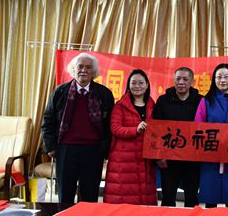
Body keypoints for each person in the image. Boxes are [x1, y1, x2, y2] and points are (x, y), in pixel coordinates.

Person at [41, 53, 114, 203]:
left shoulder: (104, 94)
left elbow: (109, 125)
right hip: (65, 149)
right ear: (73, 70)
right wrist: (50, 147)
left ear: (94, 72)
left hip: (93, 151)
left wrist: (104, 150)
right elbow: (48, 120)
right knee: (65, 195)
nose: (83, 70)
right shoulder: (60, 92)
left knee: (89, 195)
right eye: (80, 67)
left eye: (88, 67)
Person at [194, 63, 228, 208]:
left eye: (227, 77)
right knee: (211, 197)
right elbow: (198, 127)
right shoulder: (205, 101)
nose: (223, 80)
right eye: (219, 77)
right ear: (214, 80)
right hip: (210, 155)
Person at [104, 69, 157, 205]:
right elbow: (115, 128)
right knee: (123, 198)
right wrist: (135, 130)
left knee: (145, 200)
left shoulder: (153, 106)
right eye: (133, 83)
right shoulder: (120, 106)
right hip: (124, 160)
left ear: (147, 85)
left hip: (146, 159)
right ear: (128, 85)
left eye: (141, 83)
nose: (137, 86)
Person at [153, 67, 202, 207]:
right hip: (169, 158)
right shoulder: (163, 100)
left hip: (192, 158)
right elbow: (156, 129)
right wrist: (158, 156)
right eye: (178, 79)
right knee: (168, 197)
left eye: (185, 79)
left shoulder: (200, 101)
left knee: (192, 197)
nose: (181, 82)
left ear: (192, 82)